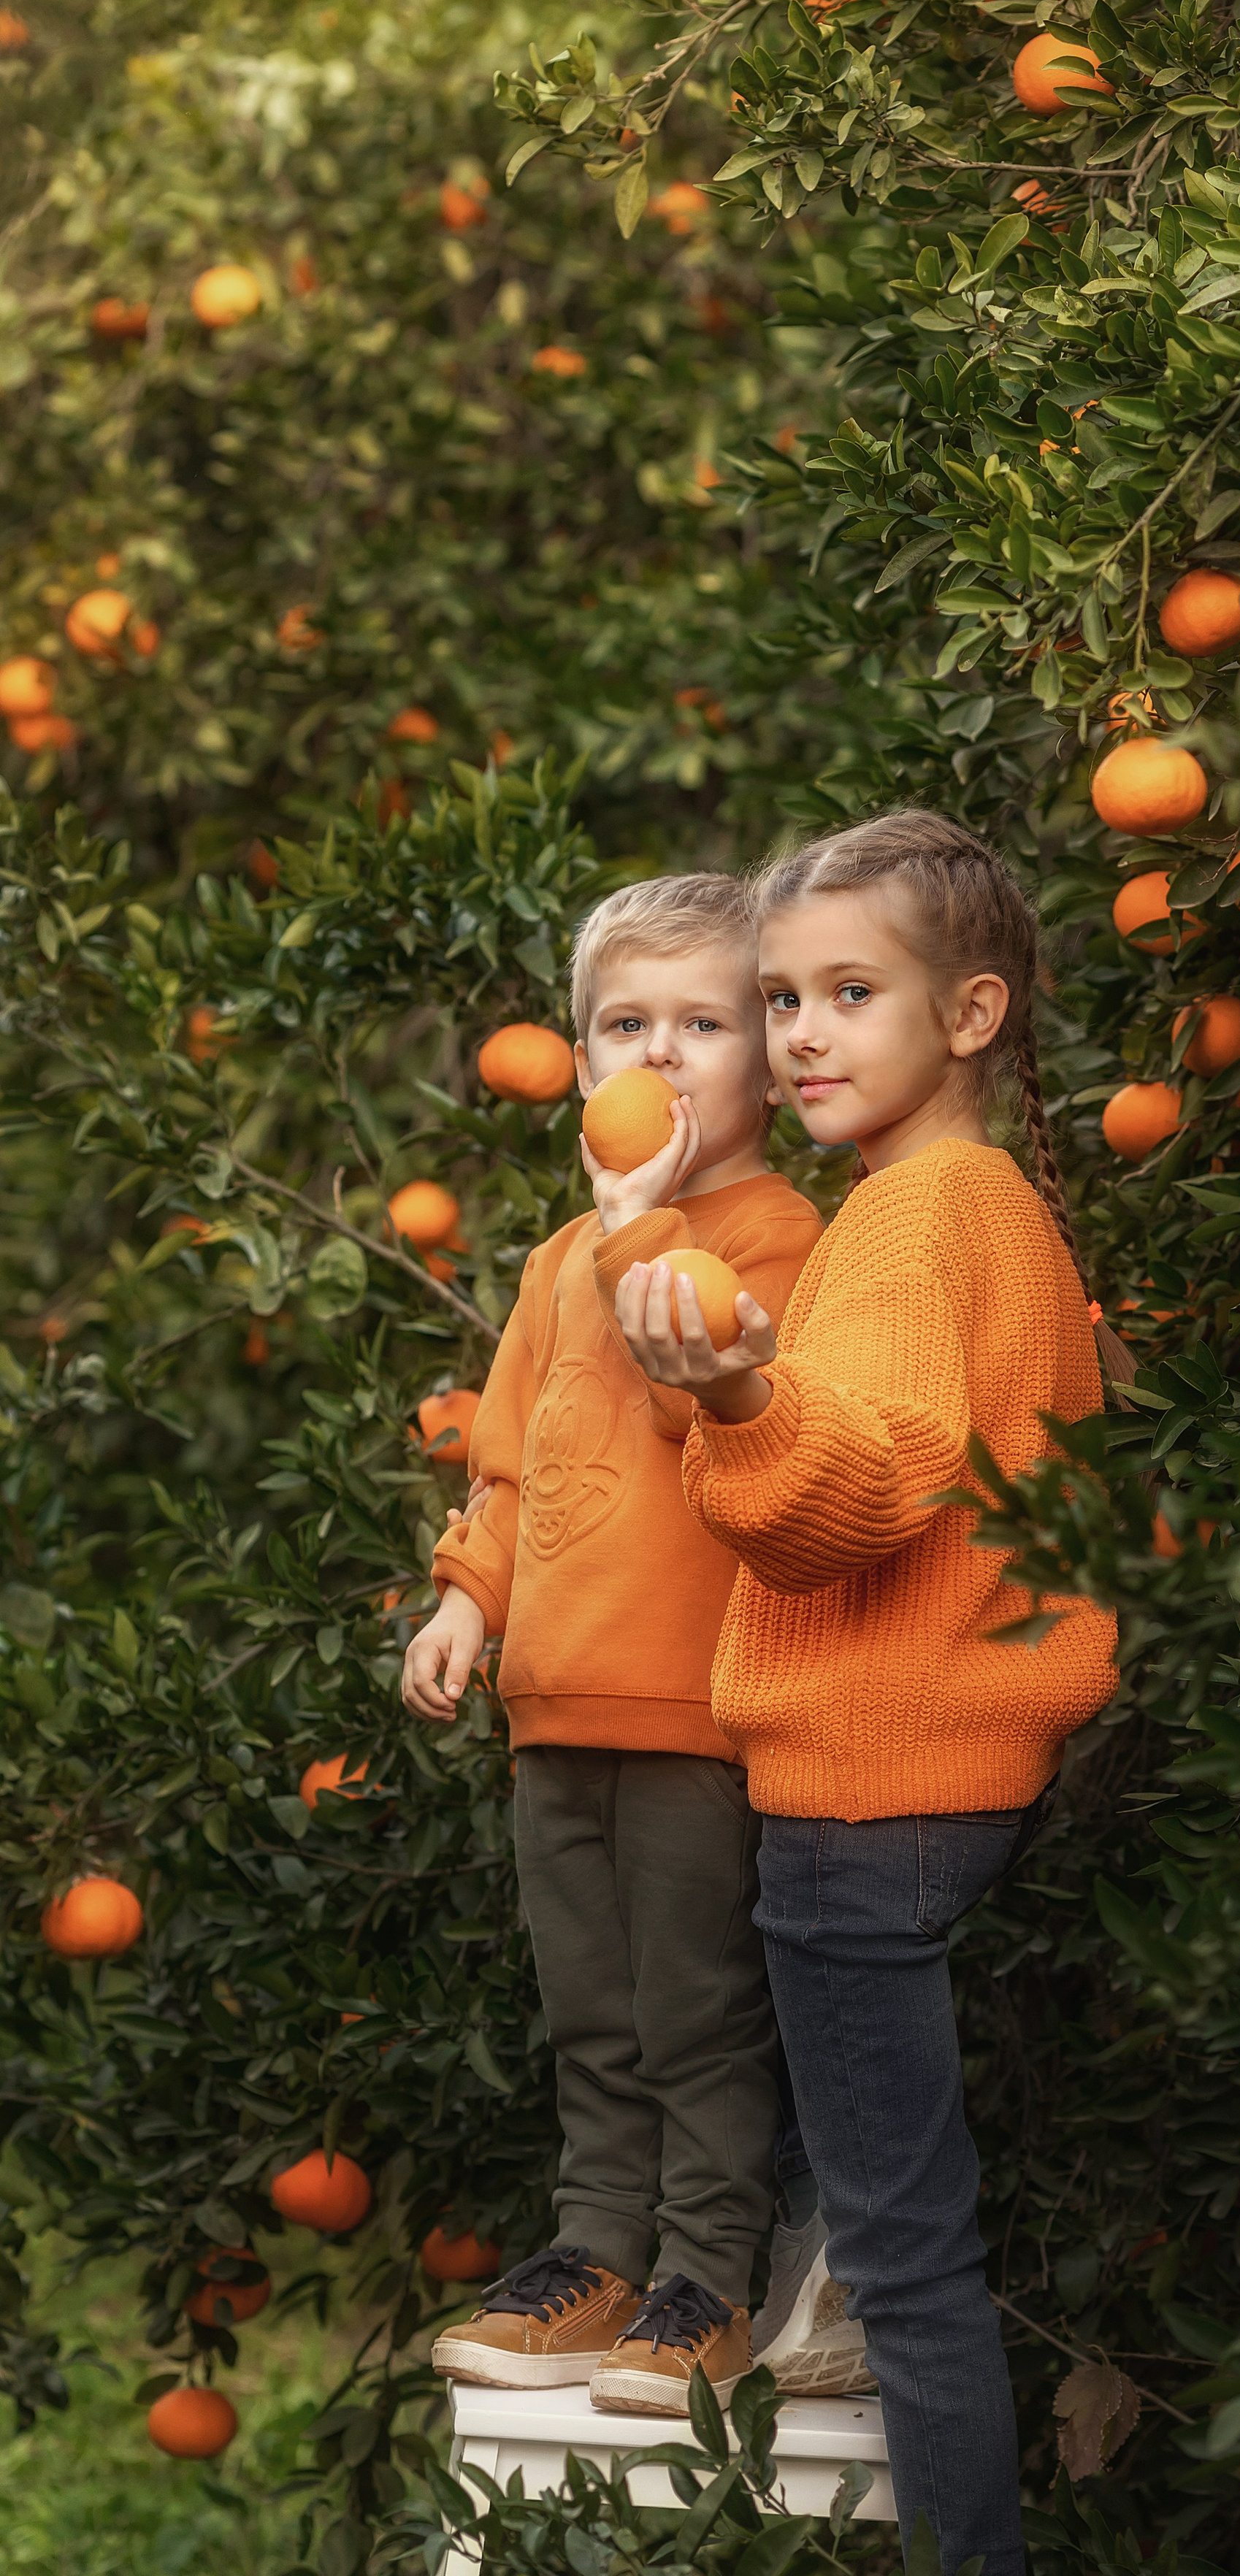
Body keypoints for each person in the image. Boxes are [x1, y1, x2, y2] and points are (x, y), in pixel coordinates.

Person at [613, 813, 1120, 2572]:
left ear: (969, 1014)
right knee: (883, 2228)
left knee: (909, 2263)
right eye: (782, 998)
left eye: (851, 992)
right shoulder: (981, 1204)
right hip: (950, 1771)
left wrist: (741, 1406)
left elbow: (861, 1494)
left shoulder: (912, 1219)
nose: (803, 1034)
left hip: (864, 1792)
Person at [402, 874, 823, 2416]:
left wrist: (647, 1245)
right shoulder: (548, 1264)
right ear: (579, 1068)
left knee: (696, 2004)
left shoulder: (781, 1241)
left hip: (698, 1709)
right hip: (551, 1705)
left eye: (699, 1024)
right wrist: (467, 1598)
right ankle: (594, 2253)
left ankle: (704, 2275)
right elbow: (514, 1462)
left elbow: (718, 1424)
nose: (658, 1056)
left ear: (766, 1061)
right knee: (587, 2001)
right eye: (621, 1027)